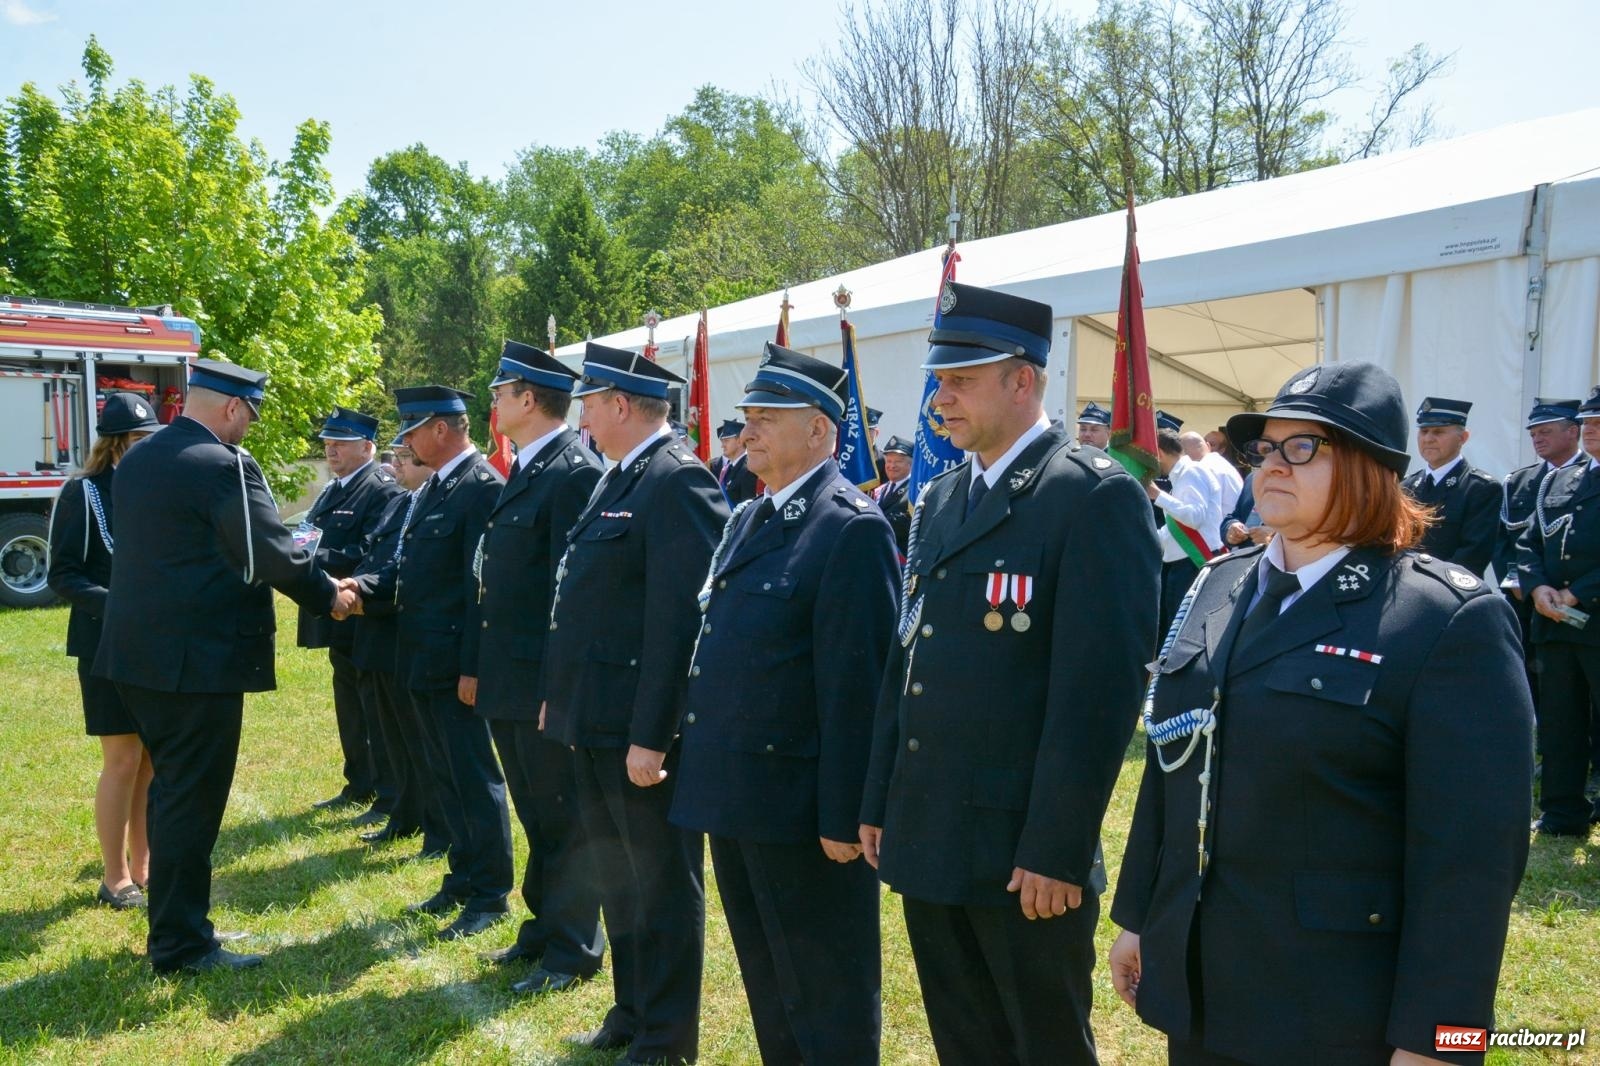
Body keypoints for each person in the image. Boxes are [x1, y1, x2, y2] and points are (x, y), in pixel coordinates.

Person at [1109, 360, 1534, 1066]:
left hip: (1333, 1009)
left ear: (1369, 468)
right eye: (1264, 448)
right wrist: (1142, 917)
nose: (1272, 465)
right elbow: (1176, 760)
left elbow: (1470, 862)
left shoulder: (1442, 619)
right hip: (1206, 988)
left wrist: (1439, 1039)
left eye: (1302, 448)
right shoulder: (1222, 585)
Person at [858, 282, 1160, 1065]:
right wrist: (881, 796)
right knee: (965, 1037)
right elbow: (909, 659)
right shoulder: (944, 494)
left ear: (1022, 380)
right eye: (938, 380)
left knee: (1042, 1041)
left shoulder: (1090, 496)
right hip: (933, 832)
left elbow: (1097, 697)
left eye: (959, 380)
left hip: (1019, 852)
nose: (939, 398)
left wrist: (1057, 848)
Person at [672, 345, 899, 1065]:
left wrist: (843, 815)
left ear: (822, 433)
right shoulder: (749, 518)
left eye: (771, 417)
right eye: (750, 417)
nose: (751, 430)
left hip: (801, 809)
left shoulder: (850, 527)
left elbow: (855, 688)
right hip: (735, 793)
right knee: (769, 979)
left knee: (825, 986)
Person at [93, 360, 356, 974]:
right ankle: (183, 946)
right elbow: (271, 552)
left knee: (169, 794)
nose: (248, 431)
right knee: (190, 802)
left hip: (135, 657)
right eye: (250, 416)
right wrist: (330, 597)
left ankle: (177, 924)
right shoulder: (223, 464)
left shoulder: (138, 460)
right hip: (196, 662)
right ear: (234, 409)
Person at [543, 342, 728, 1066]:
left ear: (621, 406)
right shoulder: (617, 477)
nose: (581, 414)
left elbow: (679, 622)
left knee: (659, 883)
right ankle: (631, 1008)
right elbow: (583, 604)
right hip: (593, 718)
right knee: (616, 874)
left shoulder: (677, 482)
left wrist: (653, 734)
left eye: (589, 402)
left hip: (637, 730)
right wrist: (562, 704)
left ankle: (667, 1036)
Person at [472, 341, 606, 994]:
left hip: (540, 685)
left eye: (500, 392)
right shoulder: (528, 466)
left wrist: (560, 689)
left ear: (528, 399)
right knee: (537, 812)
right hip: (511, 679)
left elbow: (572, 596)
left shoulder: (571, 471)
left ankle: (574, 945)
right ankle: (545, 923)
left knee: (563, 817)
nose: (492, 402)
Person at [389, 385, 513, 940]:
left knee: (472, 774)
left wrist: (474, 668)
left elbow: (482, 589)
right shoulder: (440, 485)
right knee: (444, 773)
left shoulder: (481, 488)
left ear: (442, 429)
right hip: (423, 657)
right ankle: (462, 874)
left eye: (413, 430)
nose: (408, 443)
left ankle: (490, 892)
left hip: (454, 662)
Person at [47, 392, 160, 911]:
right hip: (103, 641)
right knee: (121, 758)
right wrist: (119, 604)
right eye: (137, 441)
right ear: (115, 445)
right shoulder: (83, 493)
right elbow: (63, 574)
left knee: (151, 762)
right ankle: (114, 877)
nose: (145, 450)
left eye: (150, 441)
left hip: (154, 640)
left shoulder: (158, 490)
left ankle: (144, 863)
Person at [299, 408, 403, 822]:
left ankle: (385, 789)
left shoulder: (381, 488)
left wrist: (312, 556)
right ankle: (358, 781)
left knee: (372, 706)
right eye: (328, 442)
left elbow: (371, 555)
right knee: (348, 701)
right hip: (336, 612)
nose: (331, 449)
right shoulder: (333, 488)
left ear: (367, 447)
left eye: (340, 442)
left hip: (361, 609)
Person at [346, 445, 449, 857]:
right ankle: (404, 815)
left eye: (407, 456)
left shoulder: (429, 500)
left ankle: (436, 827)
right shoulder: (402, 503)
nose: (399, 463)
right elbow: (380, 561)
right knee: (395, 739)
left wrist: (359, 592)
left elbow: (413, 574)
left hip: (401, 633)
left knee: (422, 744)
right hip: (378, 634)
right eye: (399, 456)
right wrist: (357, 586)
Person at [1517, 385, 1600, 838]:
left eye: (1599, 424)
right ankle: (1563, 812)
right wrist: (1537, 588)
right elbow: (1529, 541)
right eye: (1588, 423)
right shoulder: (1560, 479)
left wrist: (1579, 593)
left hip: (1593, 617)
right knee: (1560, 722)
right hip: (1556, 624)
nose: (1592, 432)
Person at [1493, 398, 1583, 699]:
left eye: (1545, 431)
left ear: (1573, 431)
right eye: (1533, 433)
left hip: (1574, 601)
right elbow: (1504, 541)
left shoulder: (1589, 476)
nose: (1537, 438)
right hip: (1525, 599)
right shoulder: (1518, 481)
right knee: (1527, 677)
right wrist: (1522, 583)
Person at [1399, 397, 1498, 576]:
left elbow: (1473, 556)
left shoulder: (1481, 488)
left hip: (1451, 592)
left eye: (1438, 432)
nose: (1428, 439)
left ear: (1463, 437)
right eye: (1424, 431)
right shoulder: (1406, 486)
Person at [1150, 428, 1227, 635]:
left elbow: (1194, 517)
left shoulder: (1191, 472)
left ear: (1159, 452)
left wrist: (1157, 495)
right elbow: (1176, 528)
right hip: (1183, 562)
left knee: (1182, 629)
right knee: (1174, 626)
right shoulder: (1181, 475)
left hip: (1194, 561)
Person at [1181, 430, 1243, 516]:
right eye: (1205, 440)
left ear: (1222, 450)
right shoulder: (1219, 463)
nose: (1208, 444)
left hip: (1226, 524)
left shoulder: (1205, 468)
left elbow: (1196, 513)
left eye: (1212, 444)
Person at [872, 433, 914, 556]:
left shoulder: (914, 492)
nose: (891, 466)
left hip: (899, 559)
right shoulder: (880, 490)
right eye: (889, 461)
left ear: (910, 464)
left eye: (898, 462)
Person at [711, 419, 758, 506]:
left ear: (740, 441)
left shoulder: (748, 469)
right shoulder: (728, 468)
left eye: (726, 441)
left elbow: (748, 507)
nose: (722, 445)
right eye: (722, 441)